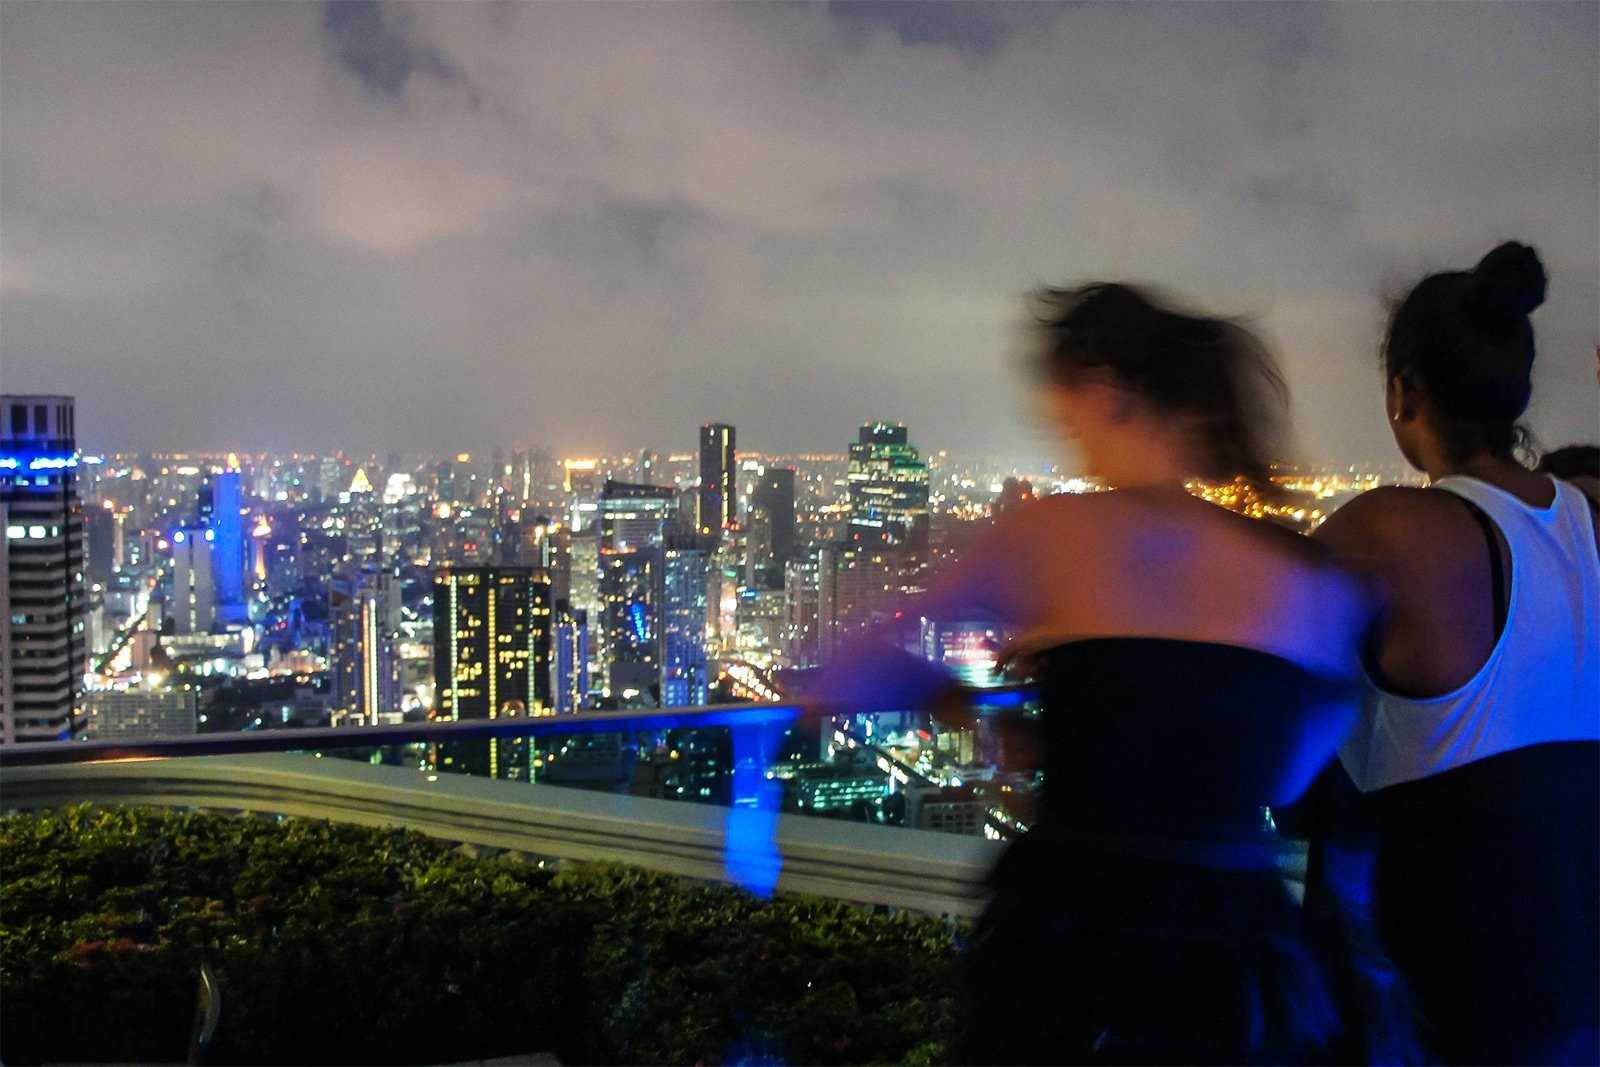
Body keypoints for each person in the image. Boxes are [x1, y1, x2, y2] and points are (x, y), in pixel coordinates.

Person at [814, 283, 1386, 1064]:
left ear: (1104, 388)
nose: (1063, 431)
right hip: (1232, 942)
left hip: (1073, 930)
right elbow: (1285, 780)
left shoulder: (1055, 535)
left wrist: (971, 705)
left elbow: (849, 659)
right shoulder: (1300, 575)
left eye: (1063, 407)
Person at [1316, 241, 1599, 1065]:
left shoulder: (1393, 532)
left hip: (1439, 995)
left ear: (1403, 394)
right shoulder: (1588, 524)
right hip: (1578, 979)